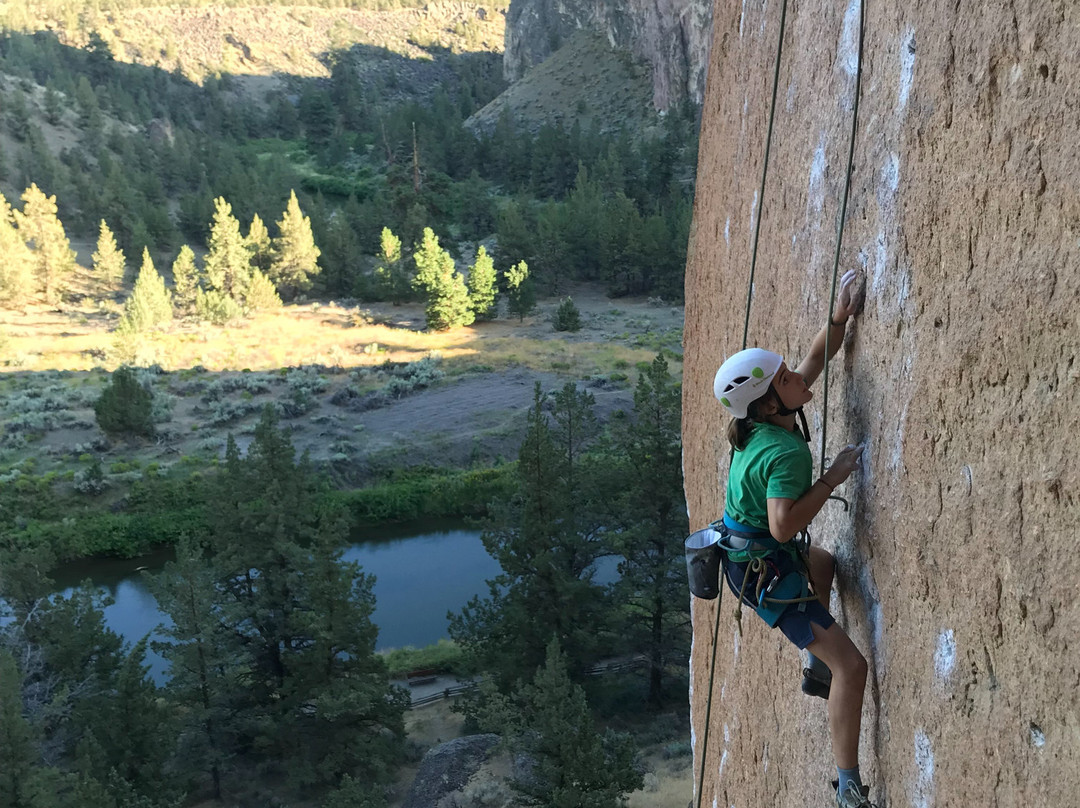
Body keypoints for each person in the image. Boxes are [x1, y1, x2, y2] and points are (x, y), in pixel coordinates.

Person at [712, 269, 877, 808]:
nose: (796, 376)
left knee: (824, 564)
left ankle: (813, 668)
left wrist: (839, 318)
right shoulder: (784, 451)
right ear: (767, 403)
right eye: (783, 378)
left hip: (752, 553)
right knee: (852, 666)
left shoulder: (763, 425)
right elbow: (783, 525)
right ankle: (848, 787)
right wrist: (832, 477)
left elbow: (811, 363)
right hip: (766, 569)